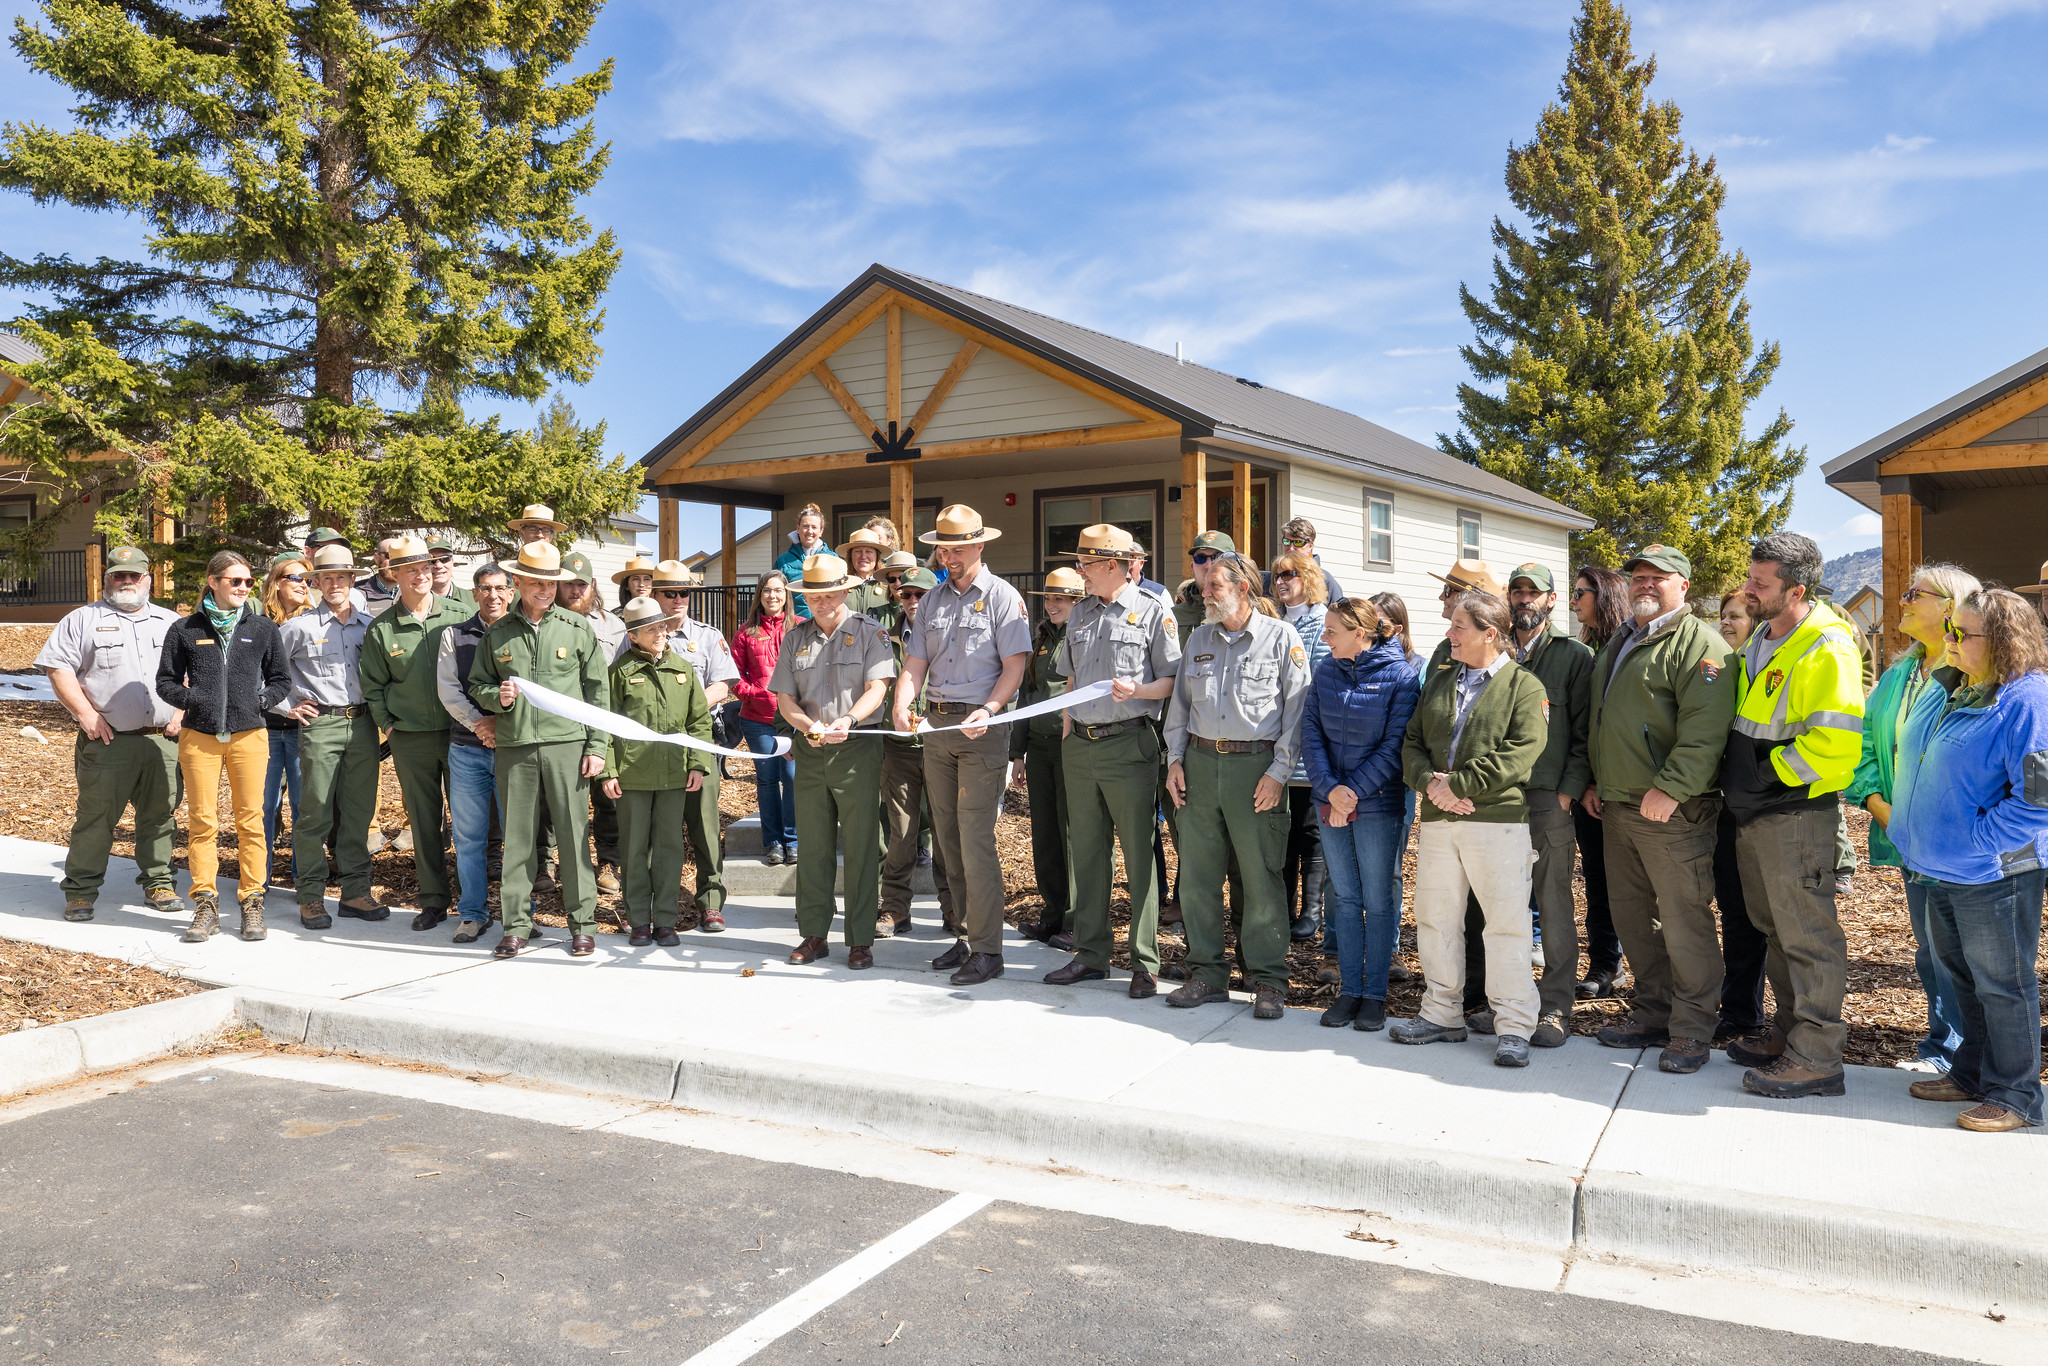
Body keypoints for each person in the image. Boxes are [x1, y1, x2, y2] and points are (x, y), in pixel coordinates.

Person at [1890, 588, 2048, 1132]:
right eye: (1950, 630)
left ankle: (2017, 1094)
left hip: (1993, 873)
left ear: (2002, 641)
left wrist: (1975, 839)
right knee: (1963, 978)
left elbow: (2037, 803)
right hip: (1941, 869)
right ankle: (1972, 1072)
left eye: (1963, 633)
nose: (1950, 641)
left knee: (2003, 984)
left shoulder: (2028, 700)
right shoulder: (1954, 687)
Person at [1720, 533, 1867, 1097]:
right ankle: (1790, 1032)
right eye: (1751, 578)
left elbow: (1835, 745)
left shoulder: (1825, 648)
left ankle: (1819, 1056)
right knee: (1775, 928)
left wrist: (1763, 774)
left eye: (1761, 583)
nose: (1750, 590)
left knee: (1807, 933)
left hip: (1796, 813)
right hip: (1760, 811)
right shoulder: (1766, 635)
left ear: (1796, 590)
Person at [1584, 545, 1737, 1068]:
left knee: (1683, 922)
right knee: (1634, 919)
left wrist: (1670, 789)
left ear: (1684, 585)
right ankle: (1652, 1012)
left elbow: (1705, 732)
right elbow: (1603, 719)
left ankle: (1692, 1029)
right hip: (1617, 804)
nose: (1645, 584)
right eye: (1638, 577)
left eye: (1658, 577)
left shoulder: (1701, 646)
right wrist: (1595, 781)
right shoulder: (1624, 639)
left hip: (1671, 811)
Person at [1393, 591, 1549, 1064]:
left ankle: (1515, 1026)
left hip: (1496, 823)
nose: (1449, 634)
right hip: (1441, 821)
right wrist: (1430, 785)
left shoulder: (1525, 688)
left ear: (1490, 633)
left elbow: (1521, 753)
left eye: (1459, 627)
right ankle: (1442, 1014)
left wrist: (1457, 785)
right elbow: (1413, 742)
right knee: (1436, 917)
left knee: (1506, 925)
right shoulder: (1442, 680)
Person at [1163, 551, 1310, 1019]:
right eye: (1205, 586)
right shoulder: (1199, 639)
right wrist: (1175, 760)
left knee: (1262, 878)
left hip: (1257, 770)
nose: (1204, 593)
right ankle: (1206, 972)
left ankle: (1267, 979)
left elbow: (1298, 714)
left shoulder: (1281, 637)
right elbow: (1180, 709)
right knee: (1199, 877)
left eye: (1214, 587)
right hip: (1201, 766)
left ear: (1244, 588)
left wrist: (1278, 772)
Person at [1846, 562, 1980, 1073]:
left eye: (1913, 594)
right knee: (1932, 950)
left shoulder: (1977, 675)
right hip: (1908, 837)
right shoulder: (1897, 676)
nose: (1901, 601)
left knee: (1965, 954)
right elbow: (1862, 747)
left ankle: (1974, 1055)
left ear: (1950, 607)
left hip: (1963, 841)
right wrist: (1882, 811)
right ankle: (1945, 1048)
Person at [892, 504, 1032, 986]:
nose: (948, 556)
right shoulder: (931, 600)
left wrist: (991, 709)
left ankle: (989, 950)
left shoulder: (1002, 597)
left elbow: (1015, 667)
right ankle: (965, 935)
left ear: (980, 545)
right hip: (936, 729)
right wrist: (900, 703)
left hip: (982, 731)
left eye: (956, 548)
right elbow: (914, 664)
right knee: (948, 843)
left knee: (975, 842)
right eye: (942, 548)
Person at [1044, 527, 1181, 996]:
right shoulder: (1081, 613)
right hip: (1079, 745)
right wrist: (1067, 726)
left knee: (1139, 854)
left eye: (1085, 563)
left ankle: (1145, 962)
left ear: (1111, 565)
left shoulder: (1152, 612)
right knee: (1087, 853)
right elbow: (1071, 679)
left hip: (1128, 745)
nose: (1079, 571)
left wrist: (1138, 691)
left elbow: (1172, 681)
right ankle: (1091, 954)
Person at [467, 541, 609, 959]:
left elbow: (597, 694)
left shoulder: (577, 629)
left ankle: (582, 924)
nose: (545, 589)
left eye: (553, 582)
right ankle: (516, 925)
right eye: (537, 582)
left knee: (573, 835)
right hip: (516, 748)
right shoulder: (498, 633)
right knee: (519, 840)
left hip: (567, 746)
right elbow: (478, 684)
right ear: (519, 582)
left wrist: (597, 745)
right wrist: (499, 699)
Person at [38, 545, 187, 922]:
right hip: (108, 740)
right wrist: (85, 714)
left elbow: (194, 672)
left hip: (163, 739)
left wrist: (183, 711)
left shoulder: (172, 622)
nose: (126, 582)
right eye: (118, 575)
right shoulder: (81, 620)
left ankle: (158, 883)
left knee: (160, 815)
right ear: (106, 579)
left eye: (133, 575)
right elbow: (58, 668)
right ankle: (81, 892)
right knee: (96, 817)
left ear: (147, 579)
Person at [770, 553, 898, 966]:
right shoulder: (795, 638)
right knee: (812, 845)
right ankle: (814, 934)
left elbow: (878, 688)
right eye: (812, 595)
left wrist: (848, 719)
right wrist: (806, 725)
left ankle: (860, 938)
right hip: (810, 751)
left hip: (856, 748)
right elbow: (786, 700)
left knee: (861, 844)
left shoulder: (869, 633)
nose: (821, 602)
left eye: (828, 594)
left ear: (845, 590)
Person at [156, 551, 290, 942]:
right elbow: (165, 681)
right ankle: (206, 904)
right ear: (213, 582)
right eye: (236, 581)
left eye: (248, 582)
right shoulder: (184, 629)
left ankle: (251, 901)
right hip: (199, 737)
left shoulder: (262, 628)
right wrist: (195, 701)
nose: (244, 588)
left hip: (250, 736)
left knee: (252, 820)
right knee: (203, 821)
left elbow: (280, 679)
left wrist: (261, 702)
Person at [1305, 596, 1419, 1031]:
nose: (1324, 638)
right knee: (1347, 900)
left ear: (1360, 634)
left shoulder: (1402, 678)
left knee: (1377, 899)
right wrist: (1331, 789)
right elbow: (1310, 733)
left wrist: (1351, 791)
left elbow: (1395, 748)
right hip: (1330, 800)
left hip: (1377, 805)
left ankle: (1374, 996)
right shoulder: (1326, 671)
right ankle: (1349, 991)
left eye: (1332, 631)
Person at [1504, 563, 1594, 1049]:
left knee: (1554, 905)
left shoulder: (1573, 656)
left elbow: (1585, 733)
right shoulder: (1492, 649)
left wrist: (1568, 790)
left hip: (1547, 798)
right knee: (1501, 906)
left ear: (1552, 600)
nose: (1523, 599)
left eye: (1532, 592)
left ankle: (1556, 1006)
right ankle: (1510, 1004)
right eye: (1516, 591)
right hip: (1495, 799)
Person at [360, 535, 470, 932]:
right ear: (395, 574)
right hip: (411, 738)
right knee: (424, 822)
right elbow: (373, 683)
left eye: (426, 567)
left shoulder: (460, 613)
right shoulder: (382, 628)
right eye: (412, 569)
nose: (423, 575)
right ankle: (434, 900)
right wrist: (388, 723)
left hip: (462, 735)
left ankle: (473, 901)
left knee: (469, 820)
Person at [274, 543, 385, 930]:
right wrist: (287, 704)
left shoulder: (371, 627)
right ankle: (311, 895)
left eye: (342, 577)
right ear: (316, 582)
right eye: (326, 578)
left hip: (364, 725)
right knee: (315, 812)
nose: (335, 584)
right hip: (321, 725)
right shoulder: (299, 628)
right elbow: (263, 674)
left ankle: (355, 891)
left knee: (358, 811)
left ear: (353, 580)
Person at [602, 595, 713, 948]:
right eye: (651, 629)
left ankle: (664, 920)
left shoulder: (683, 669)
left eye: (662, 626)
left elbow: (699, 721)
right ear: (633, 636)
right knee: (634, 850)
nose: (660, 632)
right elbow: (603, 725)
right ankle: (638, 920)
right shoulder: (619, 673)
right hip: (633, 775)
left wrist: (697, 763)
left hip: (673, 775)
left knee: (669, 849)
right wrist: (609, 770)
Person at [649, 558, 738, 929]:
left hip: (699, 742)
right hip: (653, 749)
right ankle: (659, 901)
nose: (679, 599)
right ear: (655, 595)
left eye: (684, 592)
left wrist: (688, 705)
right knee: (659, 831)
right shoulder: (637, 634)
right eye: (670, 593)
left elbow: (724, 684)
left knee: (704, 827)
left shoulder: (706, 635)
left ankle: (710, 901)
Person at [435, 561, 516, 943]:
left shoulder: (523, 634)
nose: (493, 595)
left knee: (517, 836)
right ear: (474, 593)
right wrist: (480, 725)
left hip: (513, 750)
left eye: (500, 588)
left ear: (511, 593)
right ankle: (472, 913)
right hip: (466, 749)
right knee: (468, 838)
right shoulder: (455, 634)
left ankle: (519, 917)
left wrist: (502, 726)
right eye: (485, 588)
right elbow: (449, 689)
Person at [878, 567, 957, 938]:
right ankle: (894, 909)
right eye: (905, 594)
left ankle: (954, 909)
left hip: (941, 744)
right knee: (902, 833)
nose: (911, 601)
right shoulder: (883, 638)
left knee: (945, 833)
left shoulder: (948, 633)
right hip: (898, 750)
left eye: (919, 595)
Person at [1708, 590, 1771, 1044]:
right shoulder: (1721, 670)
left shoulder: (1758, 671)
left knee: (1752, 919)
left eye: (1735, 616)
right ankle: (1736, 1008)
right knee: (1733, 913)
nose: (1726, 623)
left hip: (1760, 808)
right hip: (1721, 809)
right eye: (1723, 616)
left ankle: (1746, 1013)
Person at [1570, 565, 1629, 999]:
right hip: (1590, 789)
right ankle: (1606, 962)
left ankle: (1625, 964)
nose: (1574, 602)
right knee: (1597, 878)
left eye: (1580, 593)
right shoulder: (1587, 648)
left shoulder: (1624, 645)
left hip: (1625, 790)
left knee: (1624, 883)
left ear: (1603, 596)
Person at [1015, 567, 1081, 946]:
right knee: (1045, 835)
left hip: (1068, 745)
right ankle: (1052, 915)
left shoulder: (1083, 635)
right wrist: (1017, 753)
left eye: (1060, 599)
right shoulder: (1041, 639)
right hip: (1038, 749)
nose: (1052, 605)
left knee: (1070, 834)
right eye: (1049, 599)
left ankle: (1076, 922)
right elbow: (1027, 695)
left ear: (1076, 601)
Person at [1271, 549, 1331, 946]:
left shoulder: (1322, 621)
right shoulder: (1273, 621)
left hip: (1308, 748)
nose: (1280, 582)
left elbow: (1318, 684)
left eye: (1288, 575)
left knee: (1310, 832)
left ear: (1308, 577)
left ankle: (1311, 913)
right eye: (1276, 577)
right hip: (1275, 747)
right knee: (1283, 833)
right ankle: (1284, 909)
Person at [558, 550, 627, 894]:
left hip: (603, 721)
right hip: (560, 724)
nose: (575, 591)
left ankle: (609, 862)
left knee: (607, 796)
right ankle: (548, 863)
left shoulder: (615, 625)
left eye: (581, 585)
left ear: (593, 586)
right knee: (553, 799)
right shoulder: (548, 620)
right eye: (568, 583)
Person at [733, 569, 799, 864]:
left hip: (794, 721)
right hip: (758, 720)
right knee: (768, 781)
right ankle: (772, 842)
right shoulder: (745, 633)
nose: (773, 596)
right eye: (767, 590)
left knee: (793, 778)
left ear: (787, 595)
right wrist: (758, 693)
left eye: (778, 591)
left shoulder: (800, 628)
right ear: (759, 595)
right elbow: (732, 677)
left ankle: (793, 839)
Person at [258, 555, 310, 889]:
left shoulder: (318, 622)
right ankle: (256, 880)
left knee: (304, 808)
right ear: (277, 582)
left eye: (308, 579)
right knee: (263, 807)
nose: (304, 584)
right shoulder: (257, 623)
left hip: (304, 730)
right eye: (296, 578)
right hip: (262, 727)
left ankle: (303, 877)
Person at [1265, 517, 1343, 603]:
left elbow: (1338, 614)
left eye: (1298, 543)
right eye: (1287, 542)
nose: (1291, 548)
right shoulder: (1271, 579)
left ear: (1310, 546)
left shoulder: (1325, 579)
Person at [775, 503, 828, 619]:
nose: (810, 531)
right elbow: (776, 596)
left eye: (814, 527)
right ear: (798, 528)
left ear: (821, 531)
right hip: (794, 626)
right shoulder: (783, 561)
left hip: (827, 625)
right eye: (805, 526)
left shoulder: (832, 559)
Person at [840, 526, 893, 621]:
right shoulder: (840, 585)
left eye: (869, 551)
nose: (863, 556)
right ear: (850, 555)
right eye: (858, 551)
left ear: (877, 556)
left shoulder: (889, 584)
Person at [426, 534, 475, 610]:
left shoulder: (473, 600)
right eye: (431, 560)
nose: (439, 565)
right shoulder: (411, 602)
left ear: (452, 561)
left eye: (444, 559)